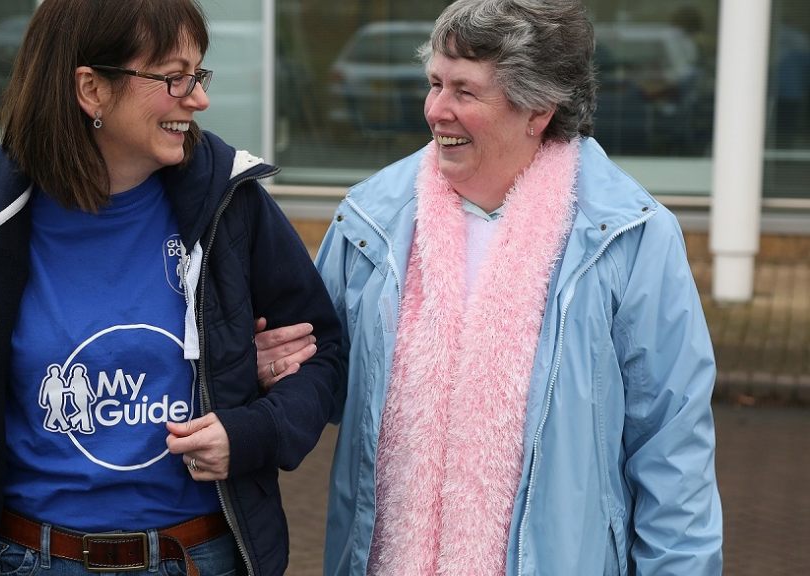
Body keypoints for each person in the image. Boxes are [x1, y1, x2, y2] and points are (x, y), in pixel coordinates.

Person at [257, 0, 723, 573]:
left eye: (464, 91)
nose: (435, 110)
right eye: (434, 83)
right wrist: (277, 367)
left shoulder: (629, 239)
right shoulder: (369, 223)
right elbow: (328, 372)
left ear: (538, 110)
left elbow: (673, 453)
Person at [0, 0, 343, 574]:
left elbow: (321, 352)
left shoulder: (231, 205)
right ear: (91, 90)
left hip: (198, 558)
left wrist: (254, 431)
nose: (198, 99)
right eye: (174, 77)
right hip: (27, 559)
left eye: (198, 75)